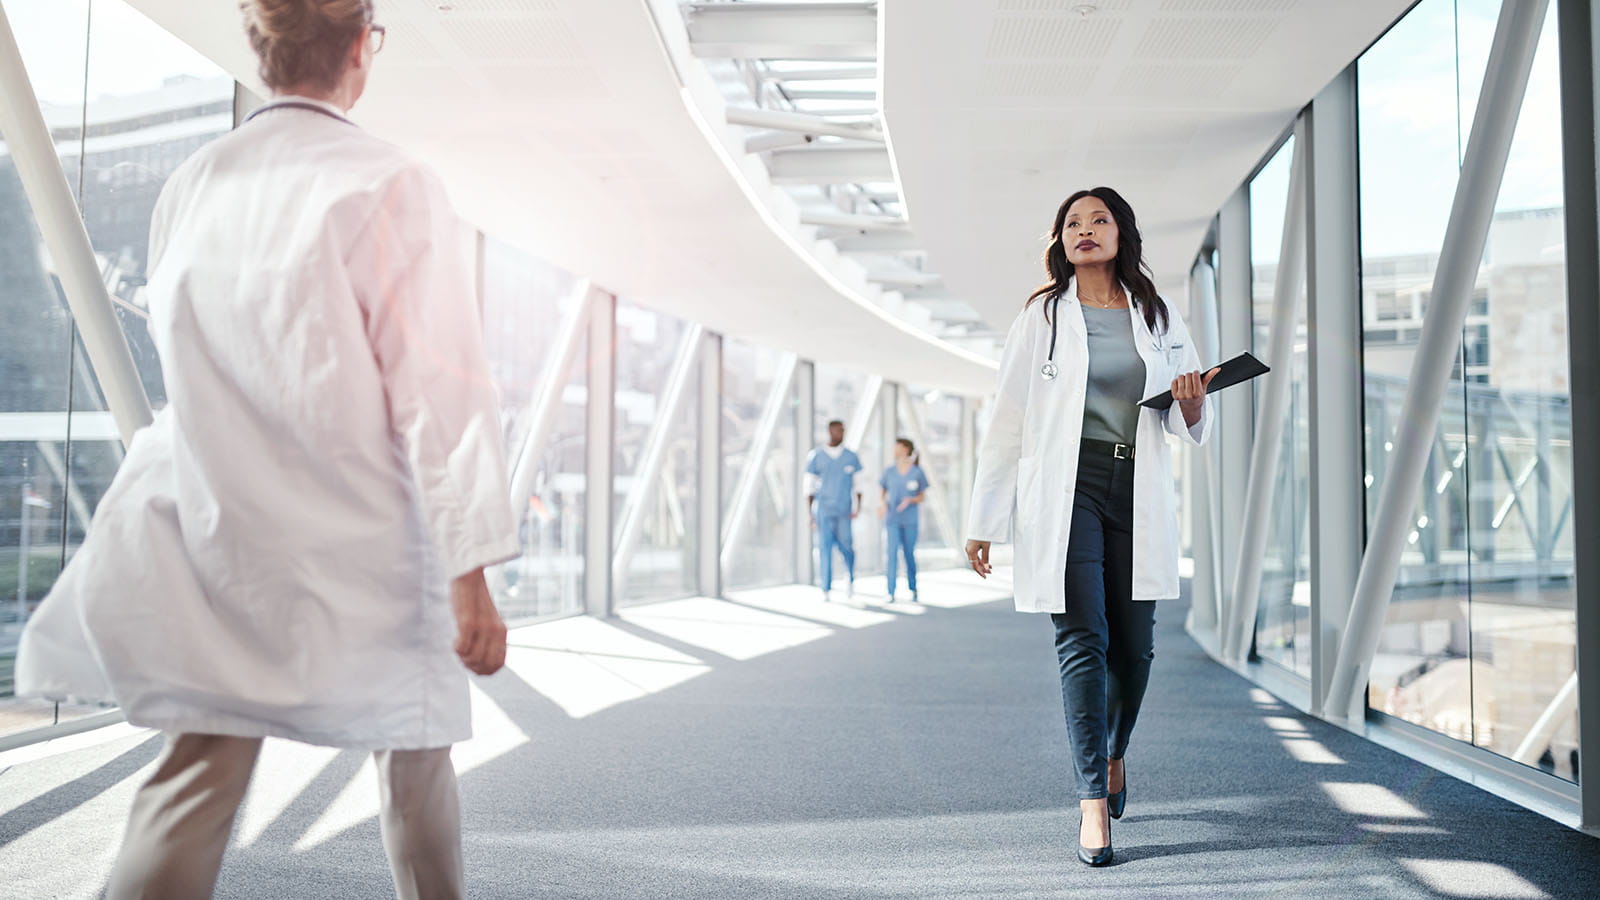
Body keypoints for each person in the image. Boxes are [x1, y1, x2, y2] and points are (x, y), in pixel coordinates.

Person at [15, 2, 518, 897]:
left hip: (220, 526)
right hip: (361, 536)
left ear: (262, 49)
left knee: (196, 772)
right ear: (362, 48)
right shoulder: (390, 182)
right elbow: (441, 390)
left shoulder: (196, 181)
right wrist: (470, 570)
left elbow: (182, 348)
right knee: (413, 752)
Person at [963, 187, 1216, 868]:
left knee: (1134, 649)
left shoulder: (1158, 314)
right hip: (1066, 491)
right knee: (1083, 639)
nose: (1085, 230)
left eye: (1098, 220)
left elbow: (1186, 415)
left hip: (1135, 487)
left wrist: (1193, 405)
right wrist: (984, 519)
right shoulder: (1043, 316)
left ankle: (1113, 753)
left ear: (1121, 233)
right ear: (1060, 241)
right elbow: (1010, 418)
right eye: (1073, 223)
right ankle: (1090, 803)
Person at [805, 419, 863, 600]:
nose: (841, 434)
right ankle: (826, 587)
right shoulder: (816, 456)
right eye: (838, 430)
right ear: (830, 431)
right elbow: (809, 487)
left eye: (843, 430)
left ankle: (850, 578)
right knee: (825, 547)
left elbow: (858, 485)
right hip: (823, 509)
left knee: (847, 545)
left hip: (844, 509)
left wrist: (857, 507)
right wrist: (810, 515)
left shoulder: (851, 457)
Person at [879, 438, 928, 603]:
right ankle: (890, 591)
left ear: (906, 449)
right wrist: (882, 505)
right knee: (891, 554)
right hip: (892, 518)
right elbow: (882, 491)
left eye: (898, 446)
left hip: (909, 520)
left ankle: (913, 588)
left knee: (909, 554)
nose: (895, 449)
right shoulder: (889, 471)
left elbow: (922, 496)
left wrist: (910, 500)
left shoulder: (917, 472)